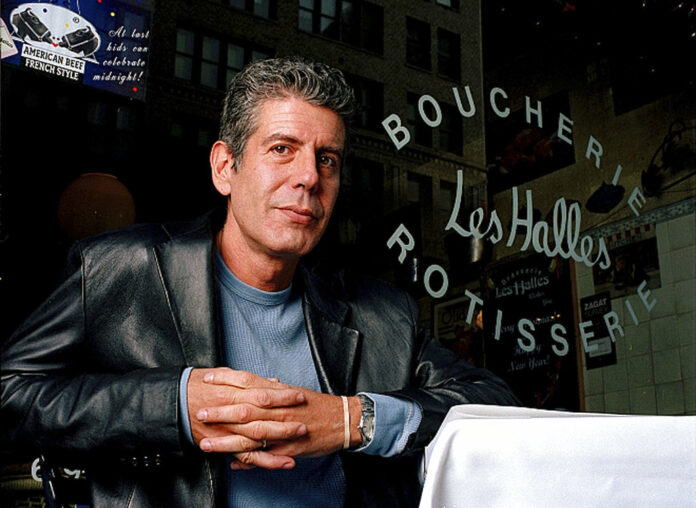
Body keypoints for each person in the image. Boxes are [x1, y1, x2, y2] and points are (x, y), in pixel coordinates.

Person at [1, 56, 519, 508]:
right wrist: (175, 406)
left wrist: (351, 420)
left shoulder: (381, 313)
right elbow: (11, 394)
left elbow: (495, 406)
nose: (309, 177)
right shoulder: (120, 269)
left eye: (327, 159)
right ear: (225, 167)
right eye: (281, 149)